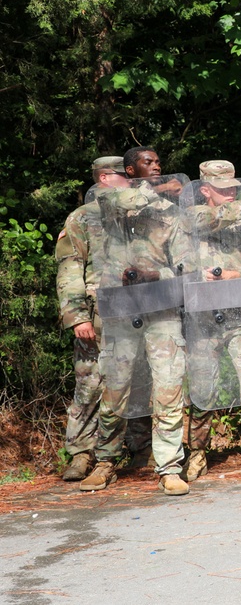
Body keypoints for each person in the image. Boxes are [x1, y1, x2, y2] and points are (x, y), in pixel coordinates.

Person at [79, 150, 191, 495]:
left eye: (158, 162)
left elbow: (187, 267)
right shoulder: (109, 204)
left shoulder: (171, 214)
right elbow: (117, 200)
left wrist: (154, 273)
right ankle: (105, 462)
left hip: (162, 310)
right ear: (130, 171)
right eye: (147, 163)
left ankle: (169, 467)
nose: (156, 167)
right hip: (121, 311)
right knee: (115, 389)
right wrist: (156, 189)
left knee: (169, 388)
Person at [181, 161, 241, 486]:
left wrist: (238, 275)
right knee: (203, 389)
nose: (231, 196)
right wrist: (196, 276)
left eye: (235, 190)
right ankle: (197, 452)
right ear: (205, 190)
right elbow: (179, 265)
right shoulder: (191, 219)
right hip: (204, 322)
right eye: (224, 191)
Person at [55, 156, 126, 481]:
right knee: (89, 384)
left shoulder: (132, 214)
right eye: (123, 175)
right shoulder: (82, 218)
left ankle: (133, 451)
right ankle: (81, 453)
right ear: (103, 178)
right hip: (94, 319)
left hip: (131, 316)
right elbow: (69, 269)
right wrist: (77, 316)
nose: (130, 180)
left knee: (130, 384)